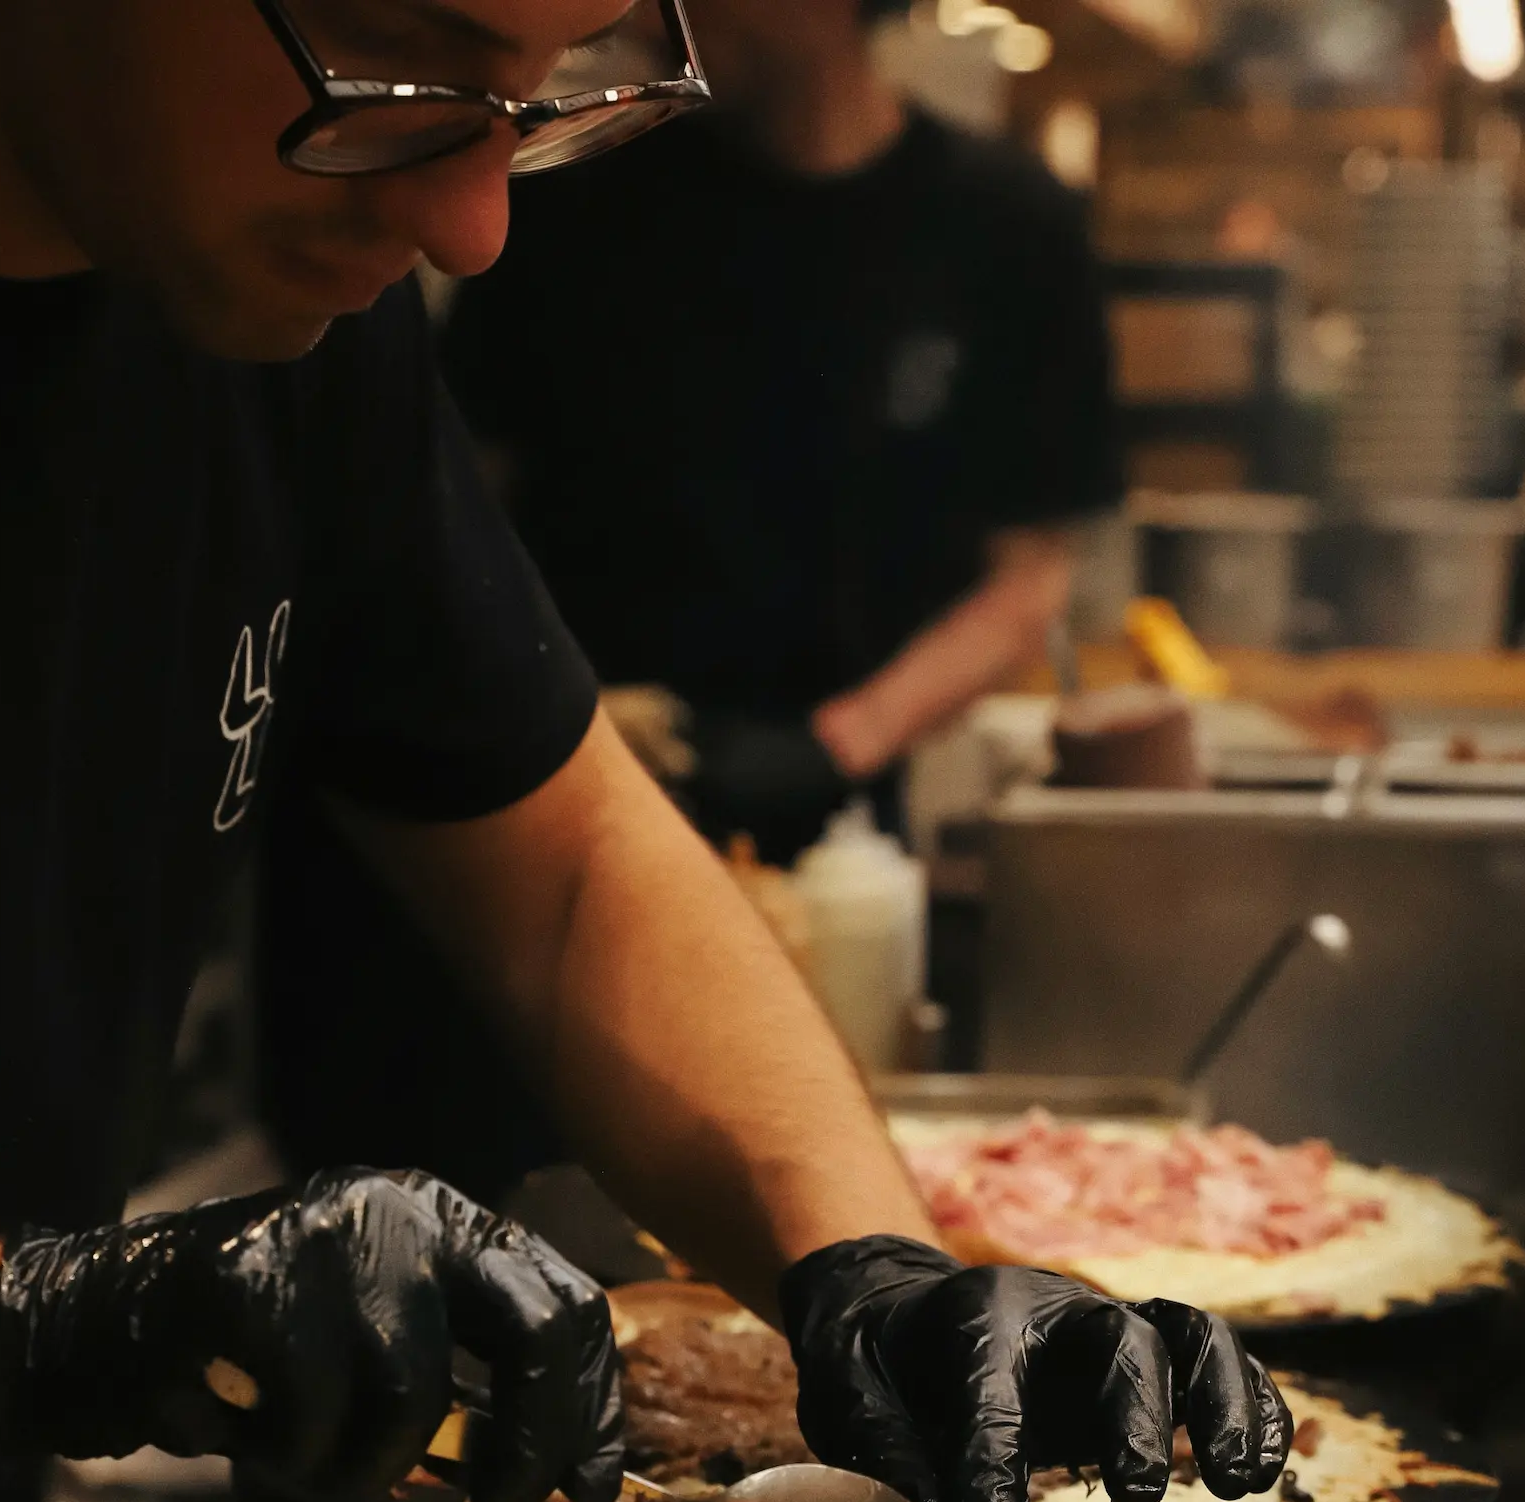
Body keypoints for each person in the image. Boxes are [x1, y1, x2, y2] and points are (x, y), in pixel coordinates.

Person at [0, 0, 1285, 1502]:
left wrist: (863, 1265)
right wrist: (47, 1320)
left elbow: (569, 860)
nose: (473, 221)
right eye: (404, 62)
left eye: (535, 98)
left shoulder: (269, 289)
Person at [441, 0, 1125, 862]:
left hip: (841, 846)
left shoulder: (1010, 227)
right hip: (558, 806)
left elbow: (1028, 585)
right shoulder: (576, 194)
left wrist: (834, 745)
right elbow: (454, 516)